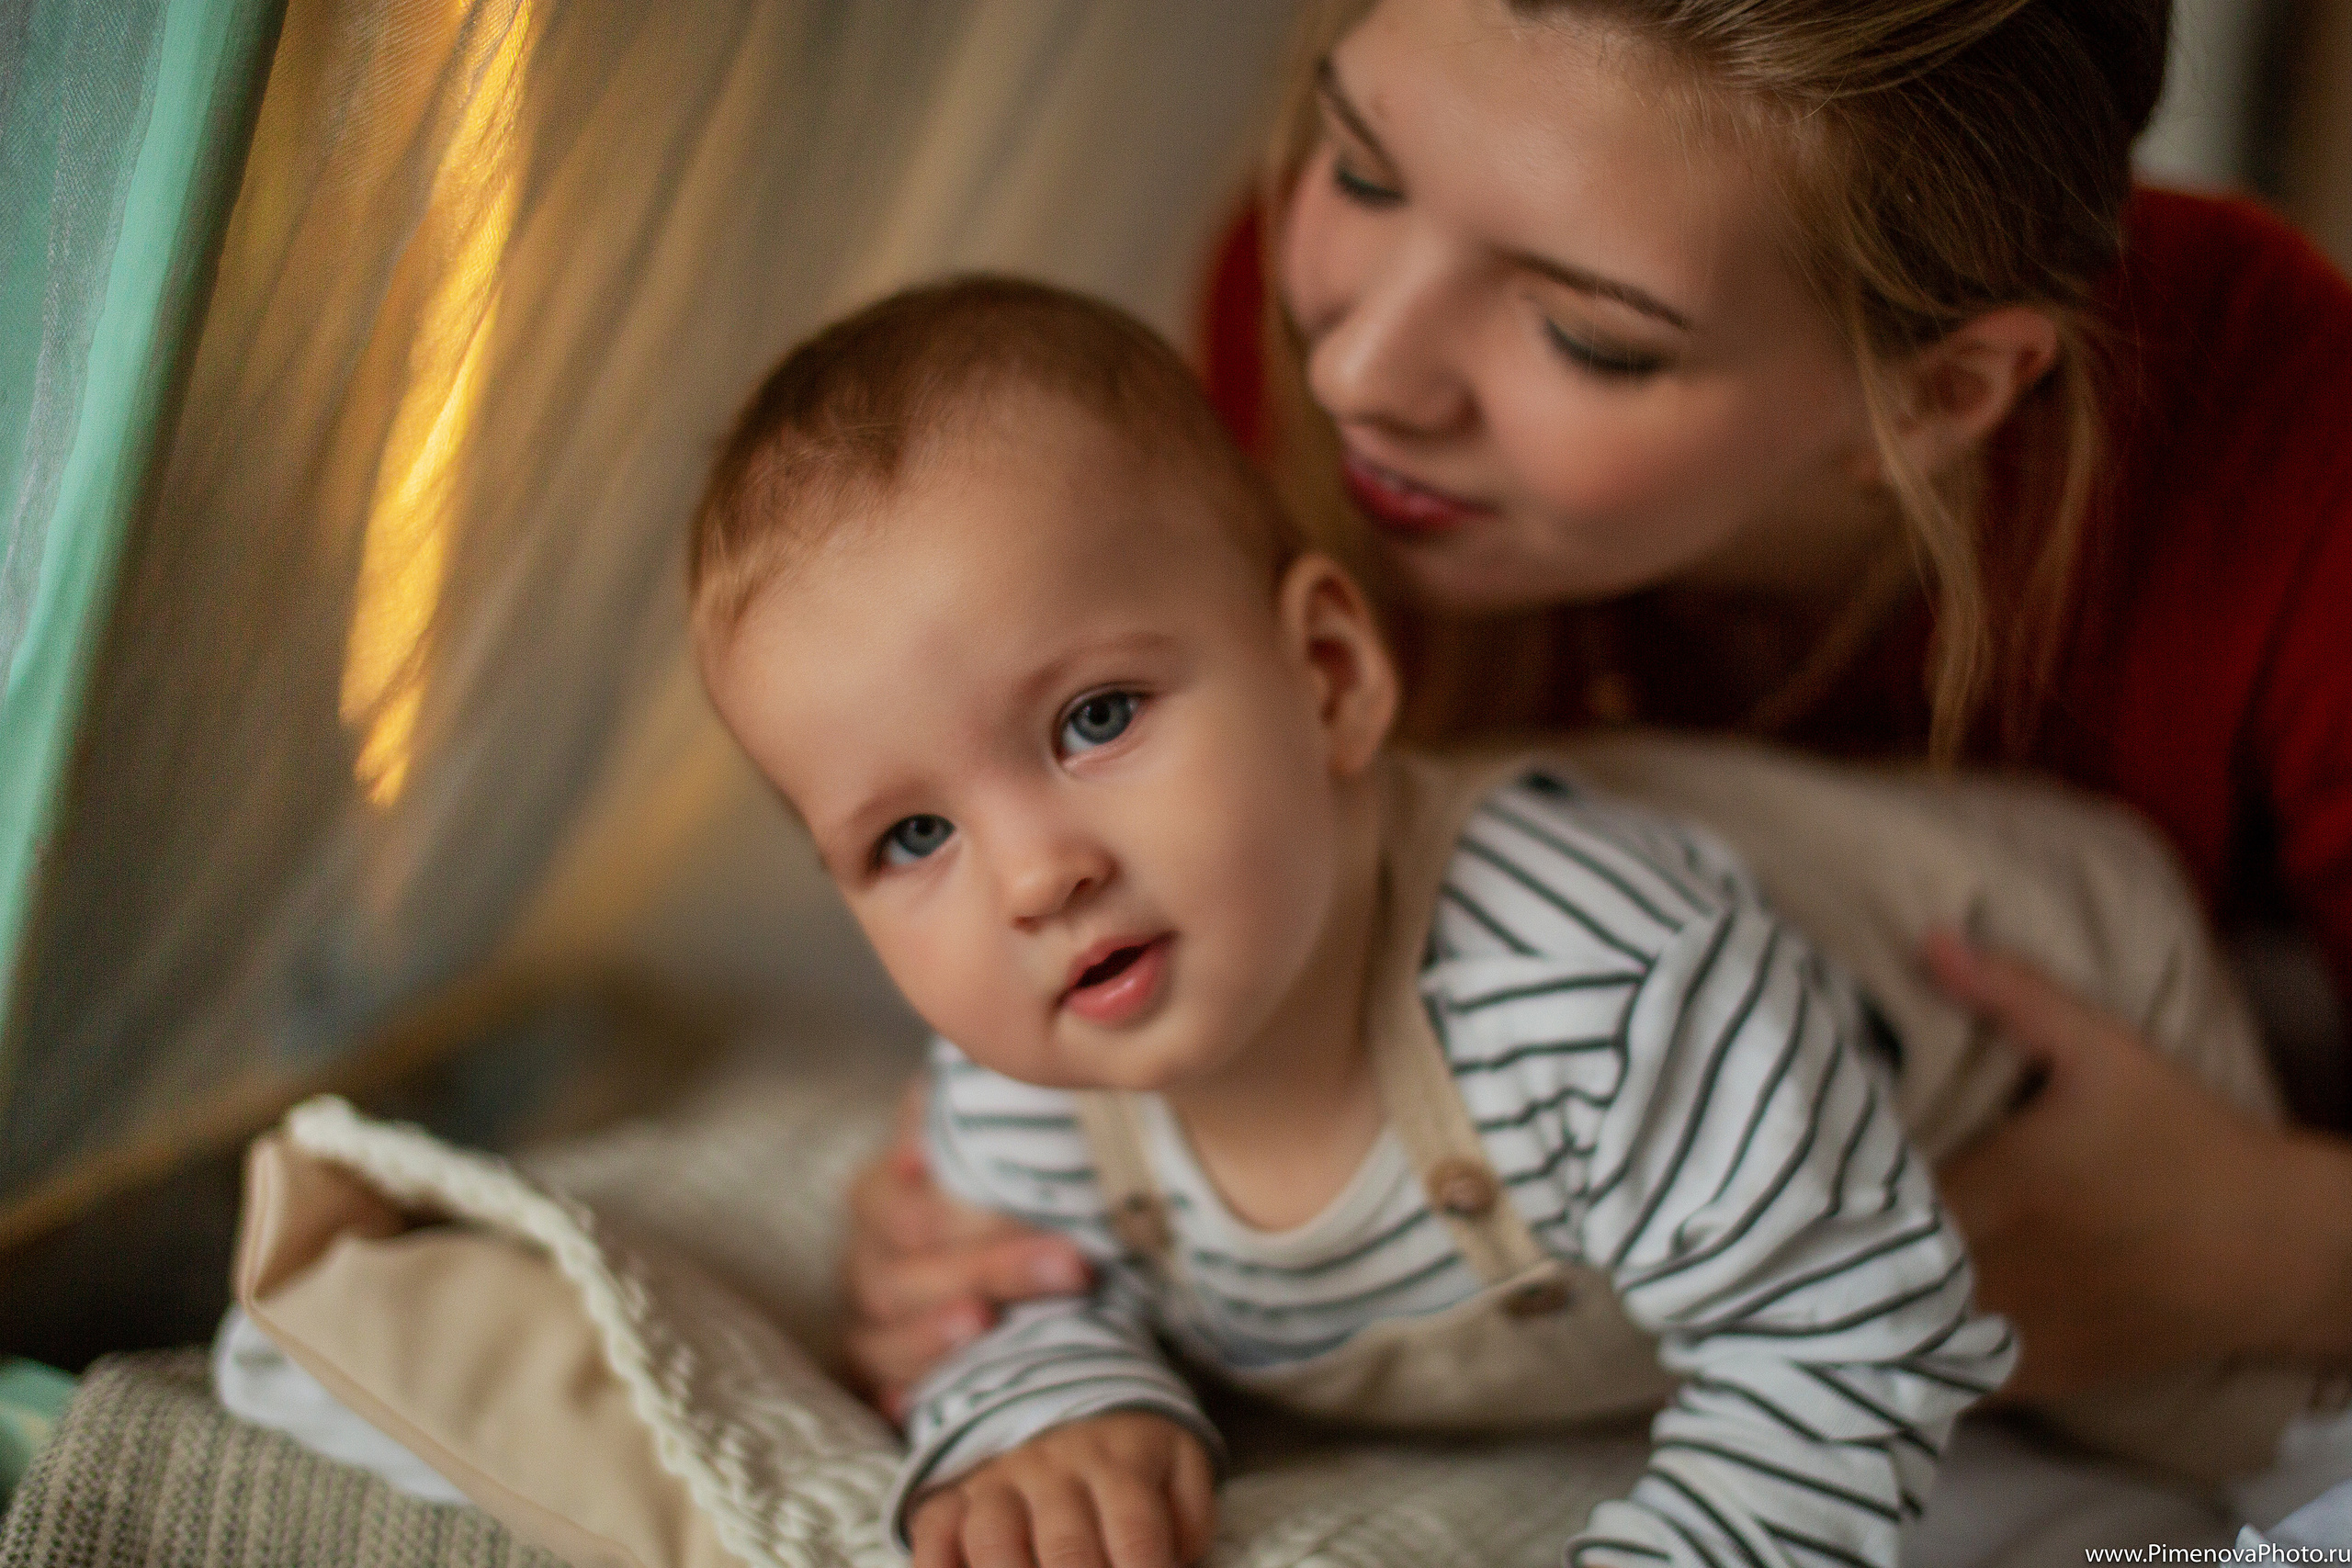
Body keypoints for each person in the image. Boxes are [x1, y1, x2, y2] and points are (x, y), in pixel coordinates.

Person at [841, 0, 2352, 1423]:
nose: (1358, 372)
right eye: (1360, 168)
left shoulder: (2287, 443)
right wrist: (1008, 1260)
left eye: (1589, 336)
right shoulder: (1275, 326)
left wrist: (2277, 1246)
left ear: (1942, 396)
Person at [689, 275, 2018, 1568]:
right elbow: (1014, 1297)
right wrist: (1063, 1413)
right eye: (915, 837)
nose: (1035, 880)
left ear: (1325, 674)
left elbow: (1849, 1333)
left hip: (2019, 991)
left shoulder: (1595, 985)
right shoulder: (1024, 1087)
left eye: (1095, 719)